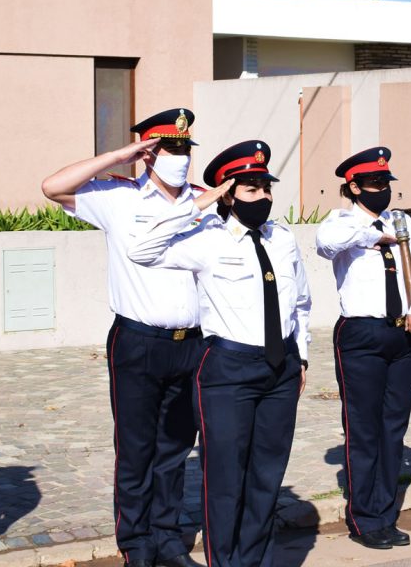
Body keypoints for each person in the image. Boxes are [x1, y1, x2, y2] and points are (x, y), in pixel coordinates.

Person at [128, 140, 310, 567]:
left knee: (267, 476)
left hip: (280, 368)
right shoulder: (205, 238)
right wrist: (197, 204)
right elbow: (141, 250)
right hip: (228, 371)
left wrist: (300, 356)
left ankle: (255, 561)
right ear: (228, 193)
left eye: (266, 188)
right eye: (251, 189)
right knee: (226, 478)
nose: (263, 197)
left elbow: (300, 302)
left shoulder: (281, 238)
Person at [40, 109, 205, 567]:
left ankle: (169, 538)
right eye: (170, 148)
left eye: (185, 148)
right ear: (149, 153)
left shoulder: (203, 204)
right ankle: (136, 542)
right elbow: (53, 187)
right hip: (137, 342)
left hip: (191, 341)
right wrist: (120, 154)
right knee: (136, 447)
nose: (180, 157)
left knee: (175, 448)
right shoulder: (119, 197)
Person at [315, 147, 411, 550]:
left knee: (393, 427)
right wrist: (373, 233)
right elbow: (326, 243)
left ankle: (385, 512)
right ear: (353, 187)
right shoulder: (342, 223)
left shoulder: (401, 221)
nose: (381, 190)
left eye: (386, 183)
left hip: (405, 334)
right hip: (361, 336)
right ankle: (364, 517)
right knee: (364, 429)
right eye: (373, 184)